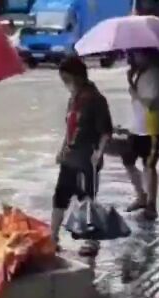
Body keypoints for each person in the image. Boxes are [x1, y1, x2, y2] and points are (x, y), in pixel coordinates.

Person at [50, 56, 113, 257]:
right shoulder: (73, 99)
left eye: (67, 78)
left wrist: (99, 152)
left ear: (77, 76)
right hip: (70, 157)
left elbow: (105, 131)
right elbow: (70, 128)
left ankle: (92, 240)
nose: (65, 83)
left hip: (87, 159)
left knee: (87, 198)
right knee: (60, 195)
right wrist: (62, 149)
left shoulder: (95, 99)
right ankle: (53, 237)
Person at [122, 48, 159, 220]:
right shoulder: (139, 73)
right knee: (128, 160)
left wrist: (135, 93)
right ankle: (141, 195)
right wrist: (130, 81)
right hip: (137, 127)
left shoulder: (155, 74)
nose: (135, 57)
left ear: (148, 55)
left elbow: (152, 102)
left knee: (149, 165)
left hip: (152, 127)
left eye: (138, 54)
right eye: (134, 54)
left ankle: (151, 204)